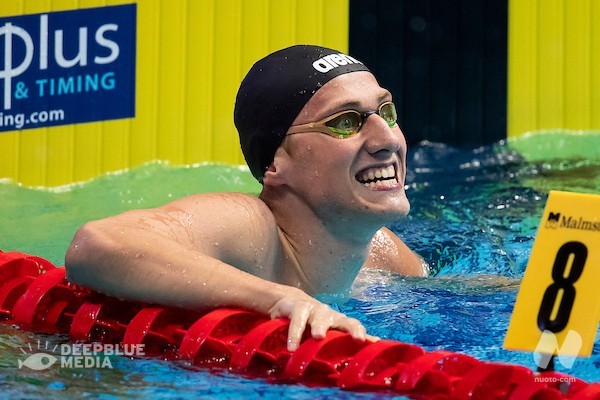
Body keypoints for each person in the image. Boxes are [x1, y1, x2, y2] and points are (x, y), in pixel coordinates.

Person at [65, 45, 428, 352]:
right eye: (345, 122)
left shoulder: (382, 255)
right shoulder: (250, 227)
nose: (389, 139)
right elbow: (96, 246)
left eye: (386, 112)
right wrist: (277, 298)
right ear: (274, 163)